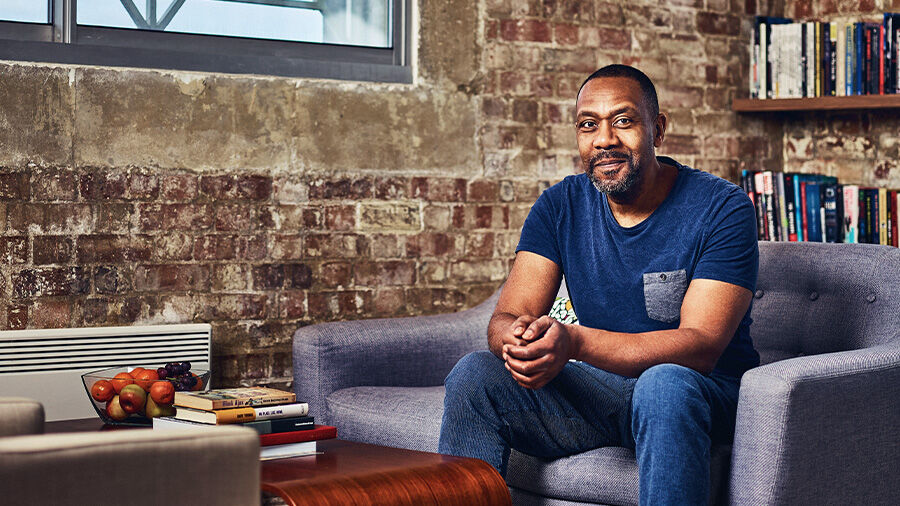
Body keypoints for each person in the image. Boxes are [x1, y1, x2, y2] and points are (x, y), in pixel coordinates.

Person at [438, 64, 760, 505]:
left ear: (657, 129)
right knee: (474, 374)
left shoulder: (722, 208)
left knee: (664, 383)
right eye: (588, 125)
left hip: (699, 395)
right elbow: (507, 316)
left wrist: (572, 342)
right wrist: (518, 341)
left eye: (623, 121)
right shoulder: (560, 205)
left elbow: (701, 346)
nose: (604, 139)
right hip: (604, 394)